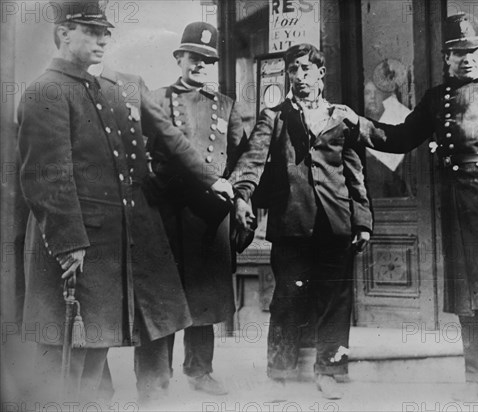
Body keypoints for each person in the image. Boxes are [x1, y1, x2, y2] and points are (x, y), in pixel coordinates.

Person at [17, 0, 233, 403]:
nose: (103, 41)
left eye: (105, 33)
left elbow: (154, 146)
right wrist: (69, 246)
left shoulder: (109, 86)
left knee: (93, 346)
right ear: (63, 34)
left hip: (108, 244)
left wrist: (206, 179)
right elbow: (48, 179)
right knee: (64, 355)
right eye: (91, 32)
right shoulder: (46, 91)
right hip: (72, 245)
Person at [341, 13, 478, 401]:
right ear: (447, 58)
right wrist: (357, 123)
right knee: (469, 300)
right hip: (460, 204)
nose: (466, 59)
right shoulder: (435, 98)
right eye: (457, 53)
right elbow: (399, 138)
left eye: (472, 51)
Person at [229, 43, 372, 400]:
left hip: (336, 221)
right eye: (293, 70)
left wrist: (363, 219)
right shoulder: (273, 116)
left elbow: (354, 173)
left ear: (321, 74)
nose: (299, 77)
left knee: (334, 298)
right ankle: (279, 373)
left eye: (306, 69)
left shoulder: (342, 117)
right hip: (292, 222)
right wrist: (242, 195)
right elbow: (253, 159)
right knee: (289, 297)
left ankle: (330, 370)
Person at [134, 21, 246, 399]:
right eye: (193, 57)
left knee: (205, 295)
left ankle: (200, 371)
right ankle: (155, 380)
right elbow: (144, 152)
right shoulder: (157, 99)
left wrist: (239, 195)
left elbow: (241, 155)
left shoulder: (227, 106)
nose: (199, 65)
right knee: (163, 297)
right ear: (178, 58)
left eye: (207, 60)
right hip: (166, 211)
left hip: (208, 215)